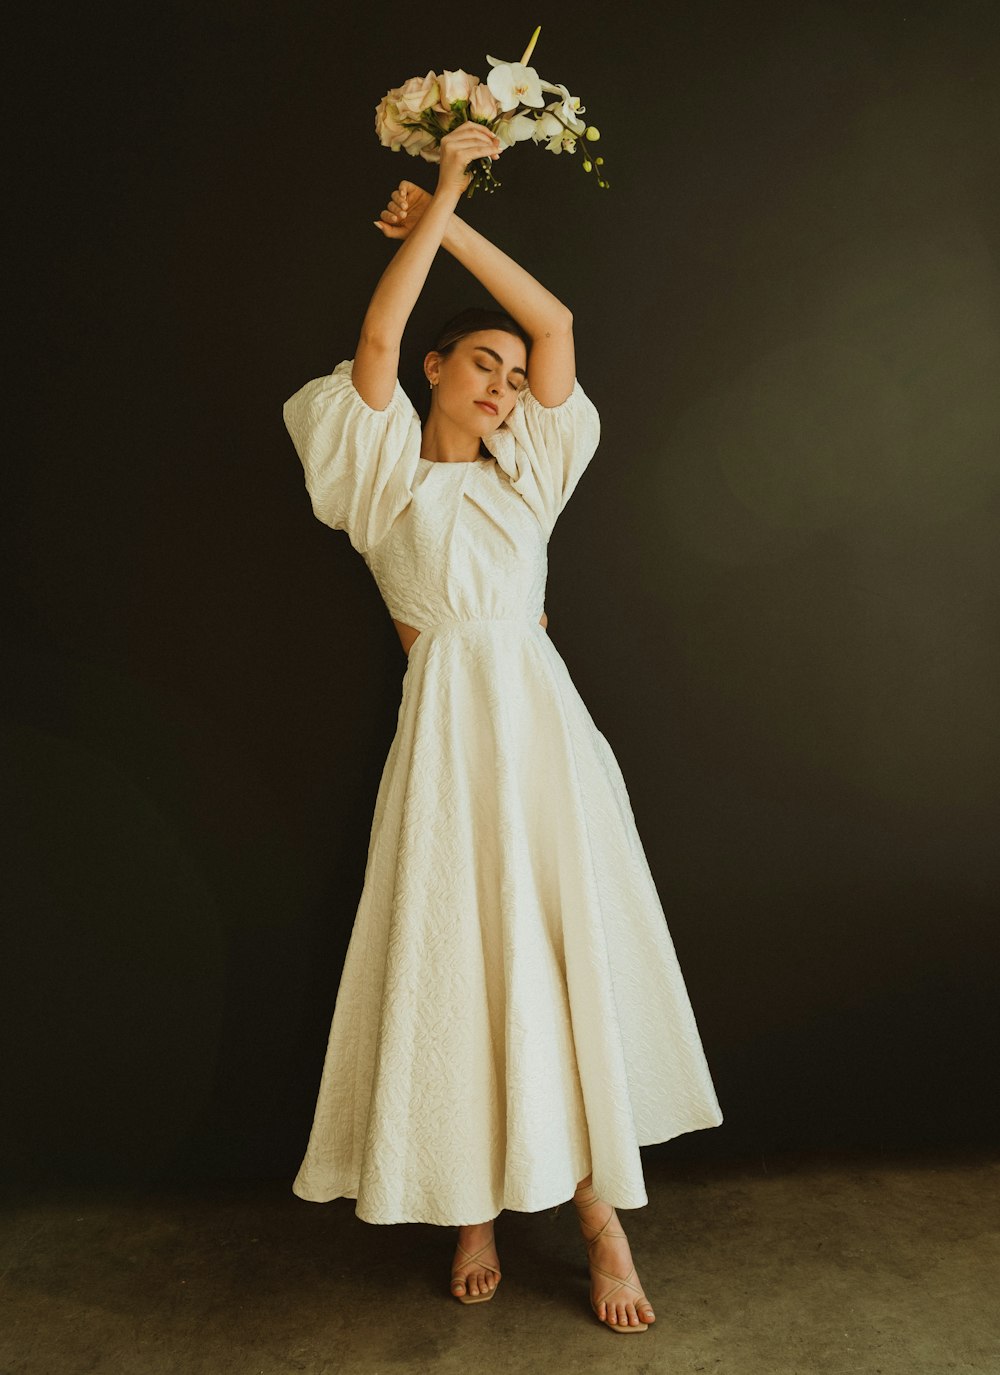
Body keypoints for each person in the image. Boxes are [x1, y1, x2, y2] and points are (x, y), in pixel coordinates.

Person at [282, 121, 723, 1335]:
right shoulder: (380, 479)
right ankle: (470, 1205)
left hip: (541, 734)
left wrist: (453, 210)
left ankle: (597, 1218)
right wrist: (441, 196)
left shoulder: (526, 475)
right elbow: (375, 336)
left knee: (557, 953)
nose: (505, 383)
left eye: (512, 379)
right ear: (434, 368)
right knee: (459, 959)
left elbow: (558, 327)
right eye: (481, 363)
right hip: (444, 745)